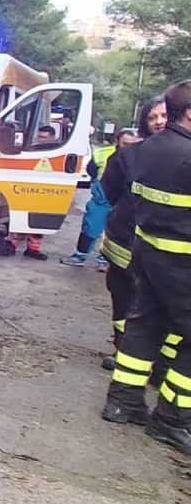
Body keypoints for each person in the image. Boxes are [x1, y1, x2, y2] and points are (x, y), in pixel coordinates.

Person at [101, 80, 191, 454]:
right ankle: (172, 418)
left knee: (145, 323)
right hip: (183, 259)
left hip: (148, 249)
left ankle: (124, 400)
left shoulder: (143, 150)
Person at [95, 97, 166, 371]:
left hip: (163, 250)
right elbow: (109, 192)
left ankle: (154, 360)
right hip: (125, 242)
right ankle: (123, 349)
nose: (159, 121)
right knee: (124, 300)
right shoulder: (127, 155)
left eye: (163, 116)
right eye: (153, 117)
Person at [62, 130, 139, 268]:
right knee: (91, 227)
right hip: (102, 199)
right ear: (117, 142)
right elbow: (91, 170)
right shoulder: (103, 154)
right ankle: (80, 255)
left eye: (132, 144)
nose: (128, 147)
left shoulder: (140, 157)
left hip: (124, 201)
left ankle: (105, 261)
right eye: (125, 144)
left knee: (116, 232)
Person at [1, 126, 61, 260]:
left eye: (44, 137)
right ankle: (11, 244)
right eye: (39, 136)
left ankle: (33, 249)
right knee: (19, 216)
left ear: (52, 137)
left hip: (46, 190)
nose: (40, 139)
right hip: (27, 187)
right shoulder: (31, 149)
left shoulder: (58, 151)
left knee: (39, 220)